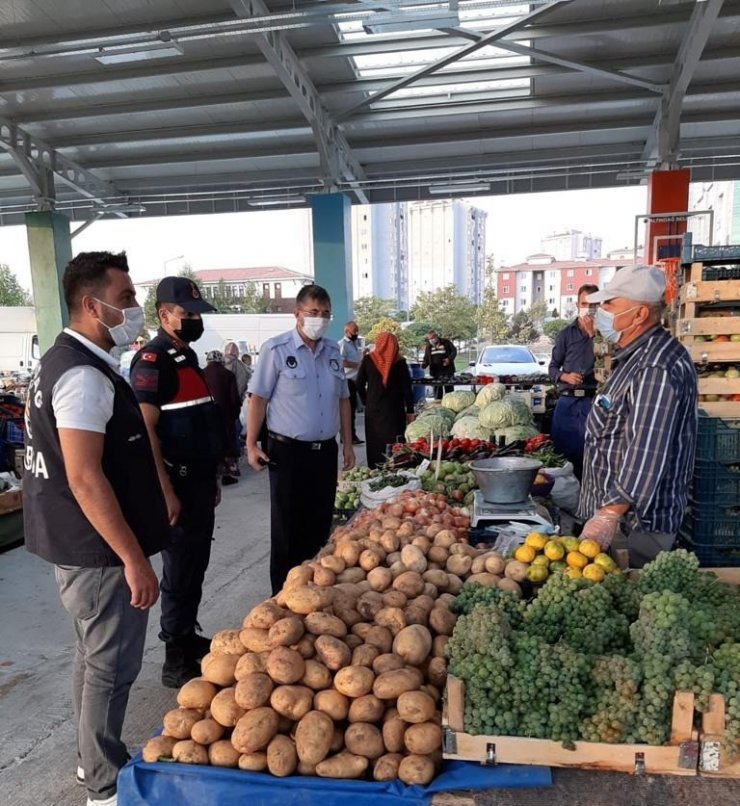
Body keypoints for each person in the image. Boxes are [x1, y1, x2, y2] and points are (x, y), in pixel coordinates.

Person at [23, 251, 168, 806]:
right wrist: (132, 558)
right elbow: (84, 477)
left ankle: (92, 763)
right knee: (111, 666)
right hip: (99, 553)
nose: (134, 309)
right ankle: (106, 788)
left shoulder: (65, 362)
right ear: (93, 305)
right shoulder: (82, 375)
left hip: (78, 546)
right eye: (126, 298)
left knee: (92, 660)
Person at [129, 276, 226, 687]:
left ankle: (187, 636)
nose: (194, 321)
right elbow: (147, 431)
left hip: (199, 483)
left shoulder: (187, 358)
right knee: (180, 569)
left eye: (197, 314)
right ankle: (175, 658)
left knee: (196, 565)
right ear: (164, 315)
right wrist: (165, 491)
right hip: (178, 488)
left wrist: (213, 475)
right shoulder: (154, 361)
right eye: (187, 315)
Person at [576, 264, 697, 568]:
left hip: (636, 526)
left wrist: (608, 515)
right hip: (622, 520)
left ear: (640, 314)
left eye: (609, 303)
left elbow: (646, 451)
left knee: (629, 601)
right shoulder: (637, 356)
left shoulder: (655, 367)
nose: (600, 310)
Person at [246, 284, 356, 594]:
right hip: (287, 452)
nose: (319, 319)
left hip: (324, 453)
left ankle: (313, 591)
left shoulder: (333, 352)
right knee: (287, 529)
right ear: (297, 314)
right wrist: (251, 443)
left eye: (325, 314)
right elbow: (258, 399)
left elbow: (343, 400)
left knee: (320, 524)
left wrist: (347, 444)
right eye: (312, 313)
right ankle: (281, 597)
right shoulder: (276, 349)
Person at [548, 284, 599, 481]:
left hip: (592, 402)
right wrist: (565, 376)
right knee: (564, 452)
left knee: (591, 453)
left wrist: (593, 334)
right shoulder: (566, 334)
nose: (588, 308)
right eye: (585, 303)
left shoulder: (606, 334)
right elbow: (552, 367)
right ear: (578, 304)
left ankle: (588, 499)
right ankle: (567, 500)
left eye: (593, 304)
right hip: (568, 402)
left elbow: (612, 361)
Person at [356, 332, 415, 468]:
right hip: (394, 410)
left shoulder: (368, 360)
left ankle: (375, 470)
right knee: (395, 442)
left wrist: (366, 401)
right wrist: (410, 410)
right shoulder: (399, 362)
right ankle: (394, 471)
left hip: (373, 408)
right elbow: (407, 389)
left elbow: (359, 384)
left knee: (375, 441)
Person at [203, 350, 241, 485]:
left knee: (211, 443)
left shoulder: (201, 374)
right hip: (226, 415)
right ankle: (228, 473)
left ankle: (214, 473)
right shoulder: (228, 375)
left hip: (207, 416)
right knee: (228, 443)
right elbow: (235, 399)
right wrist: (235, 414)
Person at [339, 320, 364, 444]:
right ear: (347, 331)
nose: (356, 333)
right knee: (347, 411)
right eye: (354, 331)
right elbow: (341, 362)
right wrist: (357, 365)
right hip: (347, 381)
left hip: (354, 381)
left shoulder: (354, 344)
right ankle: (347, 436)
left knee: (352, 410)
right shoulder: (343, 344)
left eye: (357, 331)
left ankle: (351, 435)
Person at [422, 330, 457, 399]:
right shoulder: (429, 346)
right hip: (436, 372)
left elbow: (454, 351)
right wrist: (424, 364)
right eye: (429, 339)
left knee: (449, 392)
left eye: (432, 338)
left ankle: (449, 405)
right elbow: (426, 358)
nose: (431, 340)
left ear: (436, 337)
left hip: (448, 371)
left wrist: (449, 359)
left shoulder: (446, 342)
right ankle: (438, 406)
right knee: (437, 393)